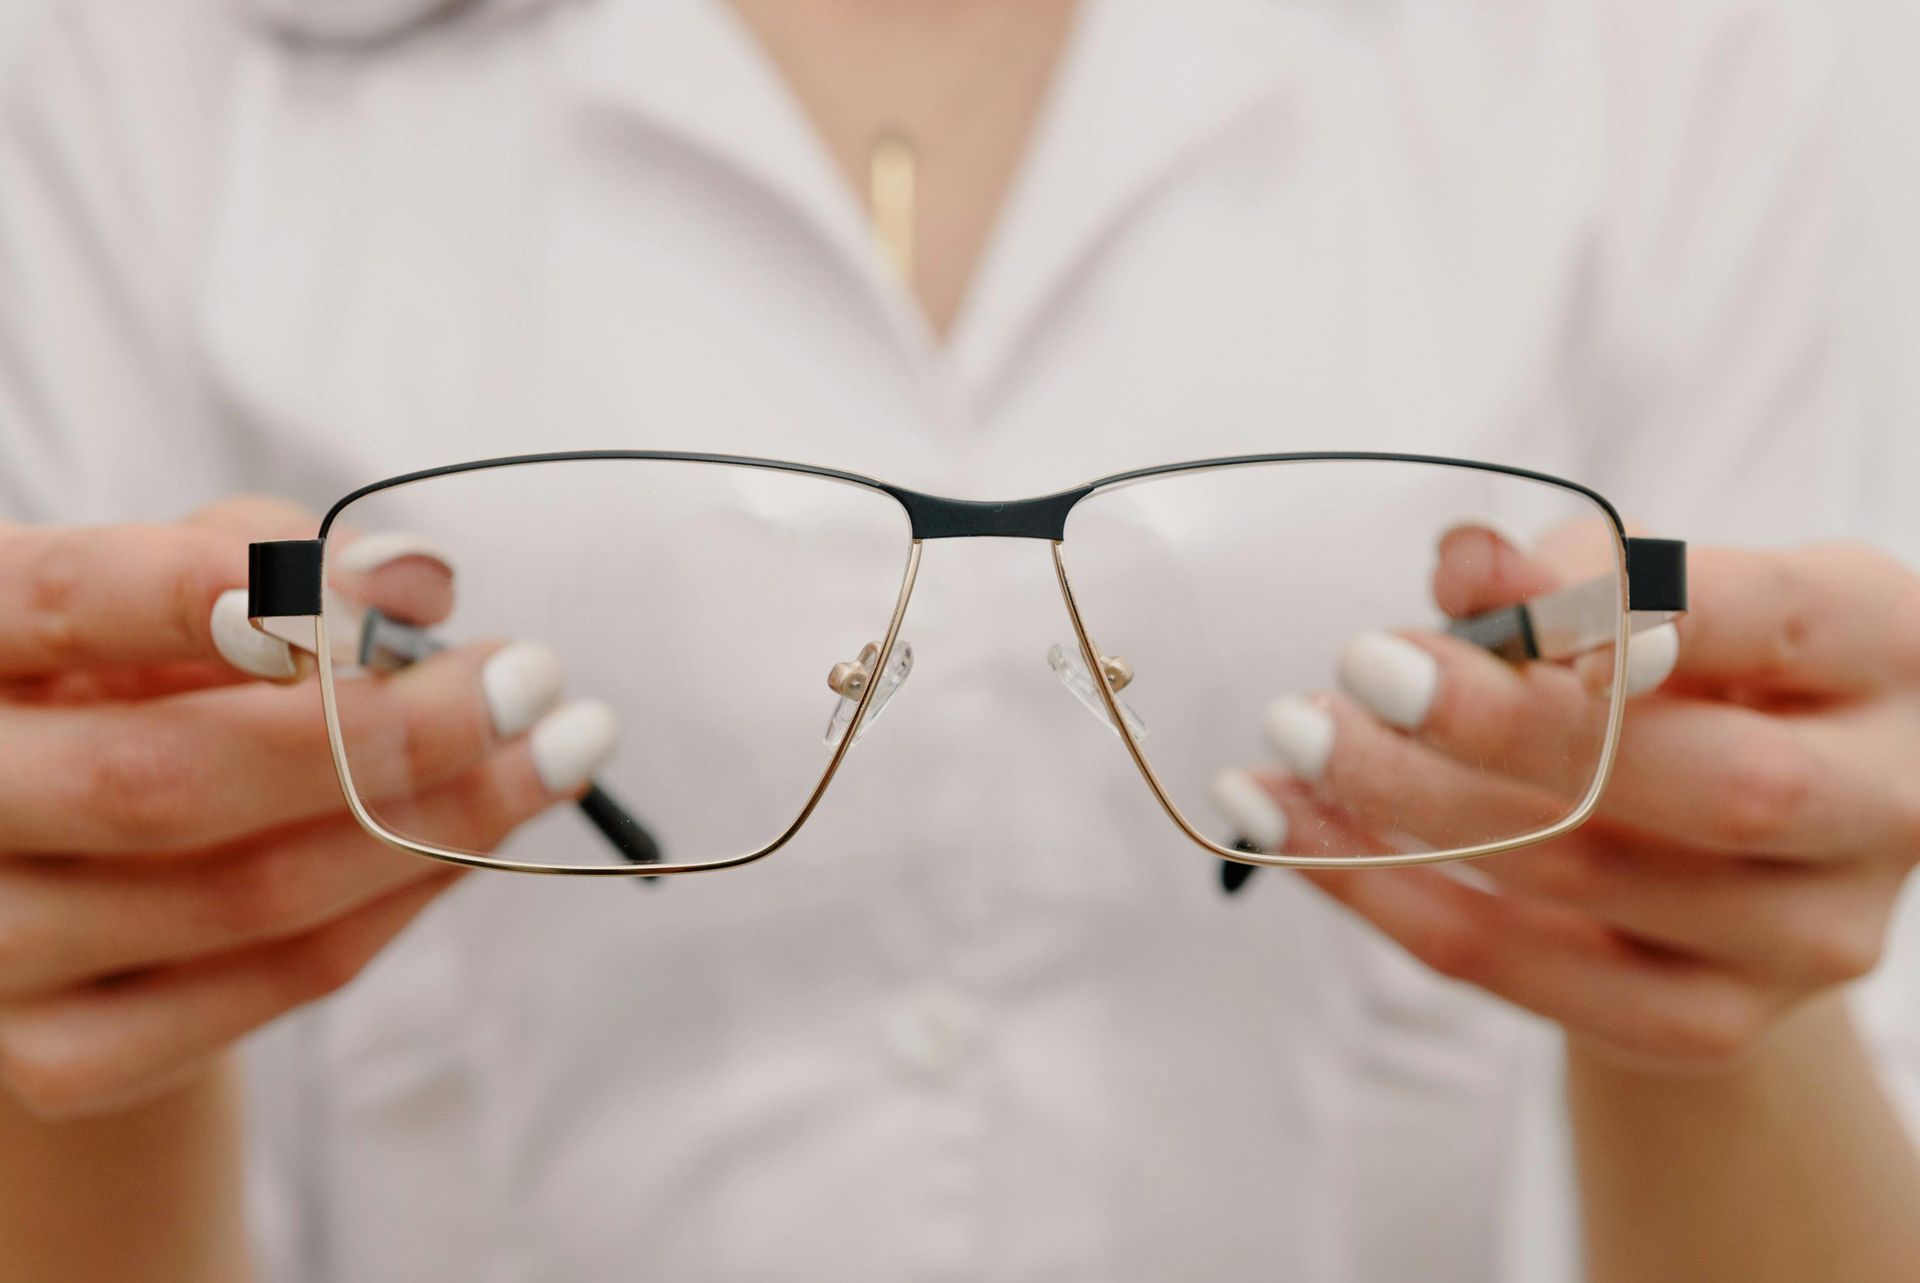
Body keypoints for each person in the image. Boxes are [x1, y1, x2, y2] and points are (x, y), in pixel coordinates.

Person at [2, 0, 1918, 1280]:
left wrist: (1711, 932)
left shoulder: (1677, 54)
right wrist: (84, 981)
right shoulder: (123, 64)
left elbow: (1770, 1022)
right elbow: (85, 1021)